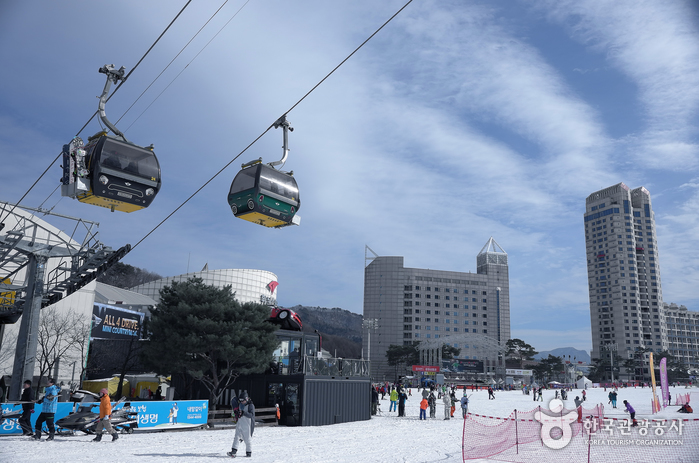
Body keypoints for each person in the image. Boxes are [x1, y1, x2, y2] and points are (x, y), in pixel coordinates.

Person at [228, 393, 254, 458]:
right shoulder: (240, 404)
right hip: (240, 423)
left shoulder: (250, 405)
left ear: (246, 399)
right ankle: (234, 450)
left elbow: (251, 415)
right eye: (240, 400)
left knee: (247, 439)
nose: (242, 402)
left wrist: (244, 413)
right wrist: (237, 414)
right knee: (236, 436)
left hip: (247, 424)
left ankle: (248, 452)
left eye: (243, 400)